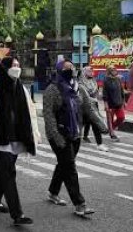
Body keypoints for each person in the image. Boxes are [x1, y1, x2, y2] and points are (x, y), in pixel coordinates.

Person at [0, 57, 40, 226]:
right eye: (14, 65)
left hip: (17, 138)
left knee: (3, 171)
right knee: (9, 172)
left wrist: (35, 133)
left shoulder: (22, 89)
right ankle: (17, 214)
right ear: (5, 68)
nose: (17, 68)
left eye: (19, 65)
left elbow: (31, 112)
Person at [43, 60, 106, 217]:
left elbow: (89, 109)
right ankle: (80, 204)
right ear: (59, 70)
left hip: (75, 133)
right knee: (70, 167)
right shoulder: (52, 90)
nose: (70, 70)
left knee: (64, 164)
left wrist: (101, 125)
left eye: (72, 67)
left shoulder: (79, 89)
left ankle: (52, 192)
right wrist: (56, 137)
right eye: (66, 68)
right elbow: (48, 116)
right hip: (58, 134)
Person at [79, 66, 108, 152]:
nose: (91, 72)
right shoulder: (80, 83)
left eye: (91, 71)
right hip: (84, 107)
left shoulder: (93, 81)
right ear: (84, 72)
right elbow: (82, 95)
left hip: (94, 105)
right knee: (79, 125)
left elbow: (97, 93)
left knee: (95, 124)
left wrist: (100, 96)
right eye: (89, 71)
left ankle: (100, 144)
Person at [102, 65, 125, 140]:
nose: (114, 71)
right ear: (109, 71)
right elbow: (104, 94)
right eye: (112, 70)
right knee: (110, 120)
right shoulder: (106, 80)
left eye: (115, 69)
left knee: (121, 118)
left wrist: (124, 101)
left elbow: (121, 91)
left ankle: (112, 128)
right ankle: (112, 134)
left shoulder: (118, 79)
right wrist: (106, 104)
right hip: (110, 104)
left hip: (119, 103)